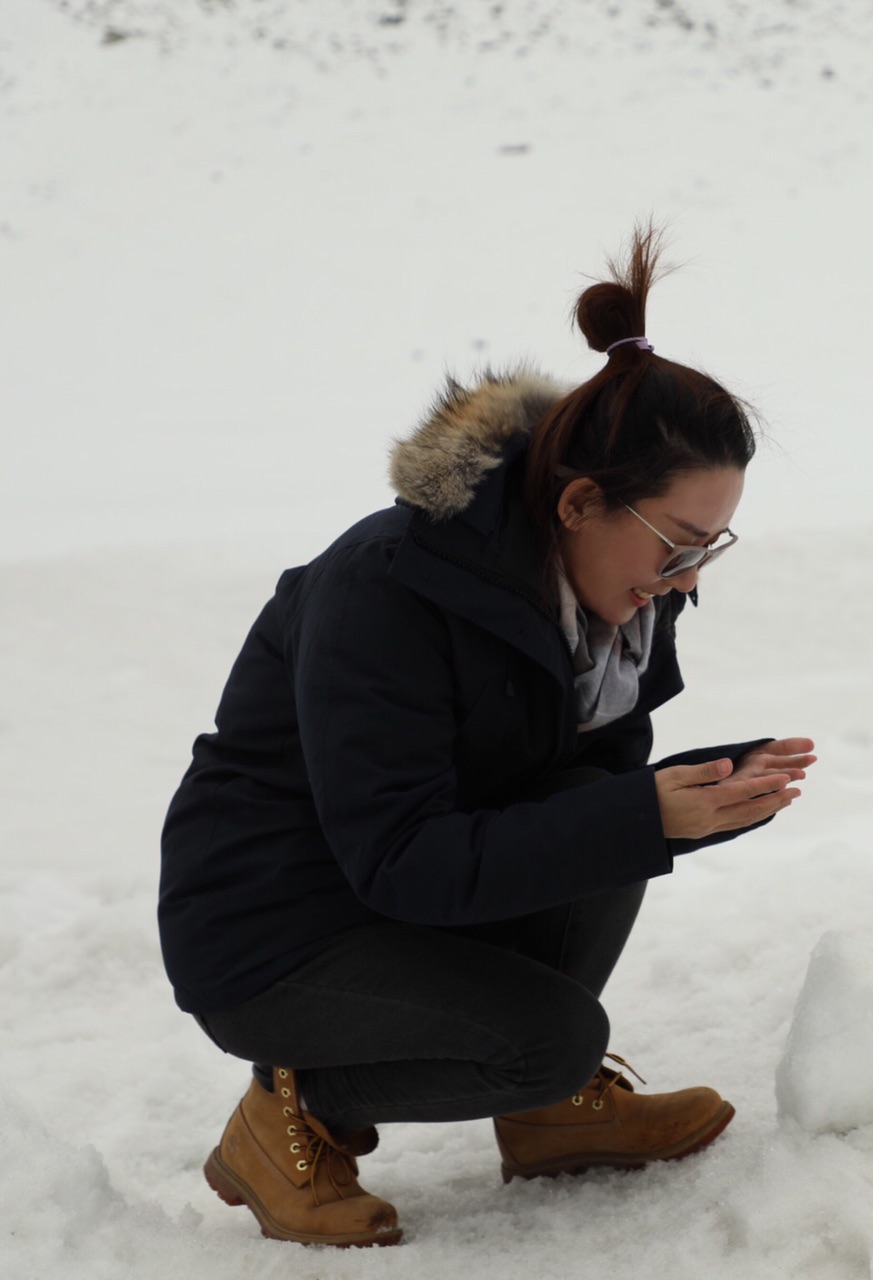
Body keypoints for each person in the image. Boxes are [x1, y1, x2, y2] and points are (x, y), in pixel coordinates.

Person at [157, 227, 813, 1248]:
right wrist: (640, 814)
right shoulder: (385, 592)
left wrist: (693, 801)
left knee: (616, 816)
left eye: (711, 545)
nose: (688, 578)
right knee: (551, 1028)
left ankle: (546, 1117)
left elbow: (581, 790)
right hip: (278, 926)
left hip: (404, 890)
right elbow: (401, 857)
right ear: (578, 501)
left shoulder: (613, 594)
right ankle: (288, 1107)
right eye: (679, 544)